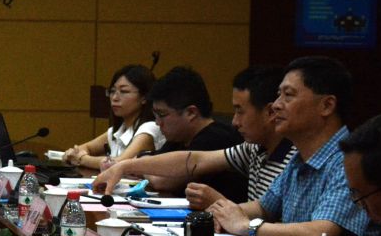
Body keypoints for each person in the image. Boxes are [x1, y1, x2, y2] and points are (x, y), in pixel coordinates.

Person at [207, 56, 375, 236]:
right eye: (279, 95)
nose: (276, 105)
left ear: (327, 105)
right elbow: (264, 208)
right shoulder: (300, 157)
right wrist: (222, 213)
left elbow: (319, 235)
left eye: (288, 95)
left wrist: (247, 226)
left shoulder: (349, 161)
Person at [93, 65, 295, 207]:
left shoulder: (295, 158)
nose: (235, 122)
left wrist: (221, 204)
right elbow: (192, 160)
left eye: (240, 111)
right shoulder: (252, 149)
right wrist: (125, 166)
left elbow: (268, 219)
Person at [144, 66, 247, 202]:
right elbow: (152, 167)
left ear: (191, 113)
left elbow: (161, 180)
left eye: (162, 114)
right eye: (155, 114)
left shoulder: (217, 139)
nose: (157, 123)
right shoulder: (179, 137)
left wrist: (142, 161)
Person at [62, 65, 163, 171]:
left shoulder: (150, 128)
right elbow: (83, 149)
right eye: (112, 91)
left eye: (124, 91)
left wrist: (82, 159)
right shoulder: (117, 131)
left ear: (145, 97)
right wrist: (74, 154)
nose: (114, 98)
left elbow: (119, 163)